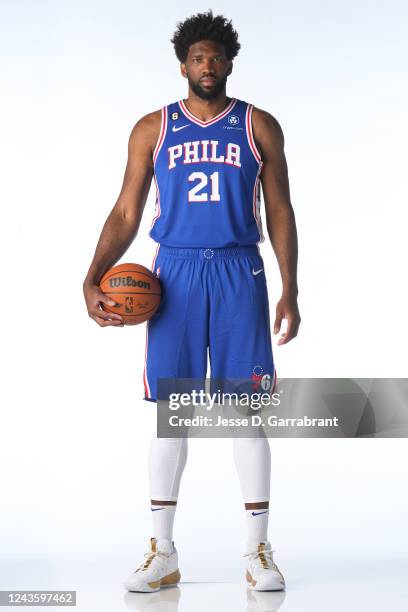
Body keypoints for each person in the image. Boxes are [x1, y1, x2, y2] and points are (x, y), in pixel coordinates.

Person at [83, 9, 300, 593]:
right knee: (170, 415)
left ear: (230, 63)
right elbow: (128, 210)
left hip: (238, 271)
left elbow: (279, 211)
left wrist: (291, 288)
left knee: (244, 414)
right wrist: (93, 275)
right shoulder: (154, 128)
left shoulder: (258, 126)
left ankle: (257, 551)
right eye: (198, 57)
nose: (208, 65)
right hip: (173, 273)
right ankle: (163, 551)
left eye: (217, 56)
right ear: (183, 65)